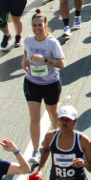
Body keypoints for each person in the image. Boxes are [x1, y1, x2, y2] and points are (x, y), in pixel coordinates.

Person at [19, 10, 66, 166]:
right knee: (34, 117)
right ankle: (36, 151)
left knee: (53, 114)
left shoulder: (52, 43)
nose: (37, 28)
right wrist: (24, 60)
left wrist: (44, 59)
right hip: (32, 82)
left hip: (51, 83)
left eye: (40, 25)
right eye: (34, 25)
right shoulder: (28, 40)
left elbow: (61, 64)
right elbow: (26, 52)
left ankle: (56, 135)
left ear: (46, 25)